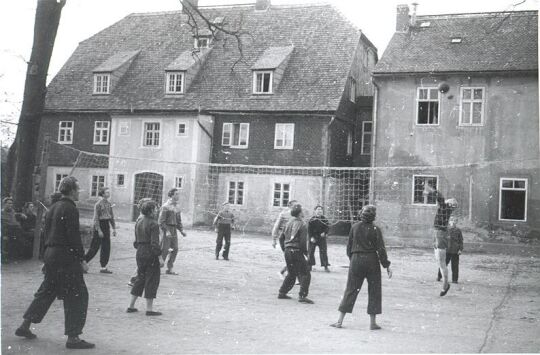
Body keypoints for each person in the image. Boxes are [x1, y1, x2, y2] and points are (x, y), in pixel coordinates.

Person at [15, 176, 95, 349]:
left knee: (47, 291)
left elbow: (46, 234)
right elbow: (73, 237)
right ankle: (73, 338)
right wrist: (81, 259)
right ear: (72, 190)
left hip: (51, 254)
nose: (79, 192)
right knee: (77, 295)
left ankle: (25, 325)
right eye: (78, 189)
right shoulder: (70, 208)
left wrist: (45, 257)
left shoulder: (53, 207)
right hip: (66, 257)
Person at [330, 205, 392, 330]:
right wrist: (386, 265)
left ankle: (339, 321)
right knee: (374, 291)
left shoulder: (354, 227)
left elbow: (348, 248)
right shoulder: (376, 229)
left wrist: (353, 259)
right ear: (374, 216)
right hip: (372, 260)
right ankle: (372, 323)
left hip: (356, 259)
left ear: (361, 214)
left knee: (351, 289)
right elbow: (381, 250)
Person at [127, 199, 164, 316]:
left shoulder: (139, 221)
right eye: (155, 209)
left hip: (140, 252)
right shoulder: (154, 223)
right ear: (151, 211)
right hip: (150, 253)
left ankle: (131, 305)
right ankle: (149, 309)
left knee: (140, 278)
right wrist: (160, 257)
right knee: (152, 279)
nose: (157, 210)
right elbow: (154, 243)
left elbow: (135, 241)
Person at [424, 183, 458, 297]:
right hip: (437, 233)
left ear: (449, 204)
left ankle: (445, 285)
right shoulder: (445, 209)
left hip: (440, 234)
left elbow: (441, 198)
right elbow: (441, 199)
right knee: (440, 262)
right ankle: (445, 283)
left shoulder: (445, 207)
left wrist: (431, 190)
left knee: (441, 263)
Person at [277, 203, 313, 304]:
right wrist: (306, 254)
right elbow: (302, 242)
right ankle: (302, 296)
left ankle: (282, 292)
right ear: (300, 213)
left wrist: (285, 249)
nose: (304, 212)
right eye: (303, 211)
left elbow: (281, 238)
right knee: (306, 273)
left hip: (288, 251)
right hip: (296, 251)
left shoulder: (288, 222)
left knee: (292, 273)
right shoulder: (302, 224)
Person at [85, 187, 116, 273]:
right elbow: (96, 218)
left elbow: (111, 217)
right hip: (99, 226)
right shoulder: (98, 204)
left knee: (106, 247)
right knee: (94, 247)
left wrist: (113, 228)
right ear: (102, 194)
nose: (108, 194)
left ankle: (103, 267)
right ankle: (83, 263)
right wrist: (99, 230)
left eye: (109, 192)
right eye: (106, 192)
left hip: (106, 225)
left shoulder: (109, 204)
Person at [158, 188, 187, 275]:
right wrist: (166, 231)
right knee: (164, 249)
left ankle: (169, 268)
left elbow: (178, 221)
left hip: (174, 230)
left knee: (175, 249)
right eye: (176, 194)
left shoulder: (177, 207)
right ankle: (157, 268)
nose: (178, 196)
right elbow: (161, 221)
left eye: (178, 194)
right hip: (166, 229)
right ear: (171, 195)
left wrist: (181, 230)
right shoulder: (165, 206)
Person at [271, 199, 298, 278]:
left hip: (294, 239)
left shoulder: (298, 215)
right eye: (294, 206)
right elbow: (276, 227)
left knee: (294, 258)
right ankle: (291, 276)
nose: (296, 207)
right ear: (289, 206)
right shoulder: (283, 214)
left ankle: (283, 272)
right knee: (291, 257)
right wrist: (274, 240)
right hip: (284, 238)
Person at [437, 216, 464, 284]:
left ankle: (455, 280)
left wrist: (460, 249)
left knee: (455, 266)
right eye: (452, 220)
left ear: (456, 222)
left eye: (455, 221)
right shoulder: (445, 230)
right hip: (447, 250)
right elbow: (441, 239)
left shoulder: (458, 230)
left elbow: (461, 241)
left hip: (455, 251)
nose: (453, 222)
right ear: (449, 222)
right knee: (443, 264)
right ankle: (439, 277)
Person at [308, 205, 331, 272]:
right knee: (311, 252)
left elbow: (327, 227)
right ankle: (310, 266)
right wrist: (311, 237)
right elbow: (309, 230)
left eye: (321, 209)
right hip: (313, 238)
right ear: (315, 211)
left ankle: (326, 266)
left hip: (321, 238)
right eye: (318, 209)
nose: (319, 211)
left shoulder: (325, 219)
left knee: (323, 252)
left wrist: (325, 232)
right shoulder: (312, 219)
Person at [1, 197, 24, 262]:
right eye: (9, 203)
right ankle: (7, 258)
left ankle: (16, 257)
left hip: (15, 231)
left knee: (20, 239)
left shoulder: (12, 211)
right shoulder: (2, 213)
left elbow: (14, 217)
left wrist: (20, 214)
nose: (10, 205)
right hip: (6, 231)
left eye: (11, 203)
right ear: (4, 204)